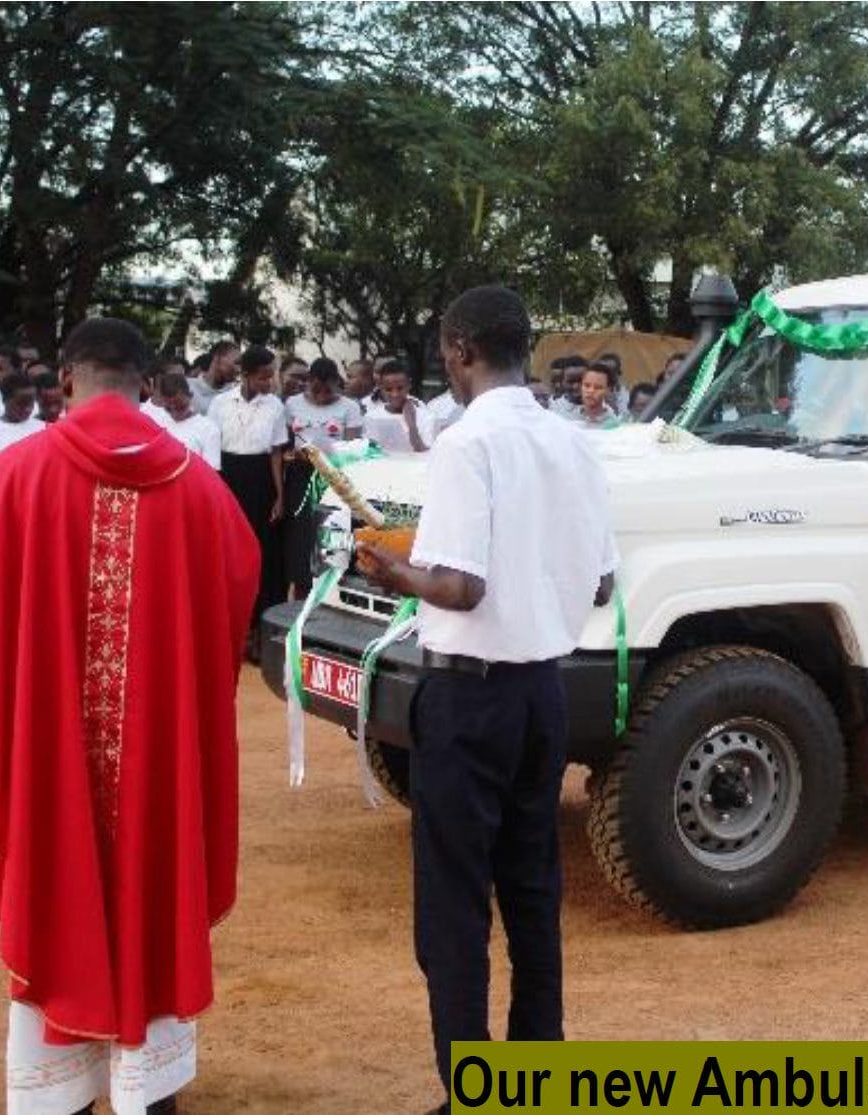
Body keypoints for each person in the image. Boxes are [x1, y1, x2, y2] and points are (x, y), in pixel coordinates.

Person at [0, 316, 258, 1115]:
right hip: (156, 763)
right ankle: (149, 1091)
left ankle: (62, 1094)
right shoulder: (199, 485)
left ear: (66, 381)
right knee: (153, 889)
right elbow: (237, 589)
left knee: (56, 888)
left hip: (44, 760)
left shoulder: (14, 476)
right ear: (146, 386)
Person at [356, 286, 617, 1114]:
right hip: (545, 690)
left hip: (470, 700)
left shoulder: (469, 443)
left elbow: (460, 587)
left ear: (462, 350)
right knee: (534, 888)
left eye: (444, 350)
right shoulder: (572, 441)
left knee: (455, 906)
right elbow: (603, 575)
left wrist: (392, 568)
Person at [208, 345, 287, 656]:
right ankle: (230, 633)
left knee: (262, 555)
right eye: (262, 377)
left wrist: (279, 496)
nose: (268, 382)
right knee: (228, 554)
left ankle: (258, 634)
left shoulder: (275, 406)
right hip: (228, 475)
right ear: (246, 374)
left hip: (261, 481)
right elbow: (213, 447)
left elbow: (277, 453)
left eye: (271, 376)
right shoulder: (219, 403)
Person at [281, 358, 362, 596]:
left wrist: (328, 459)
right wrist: (294, 455)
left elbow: (353, 448)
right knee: (300, 538)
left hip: (334, 477)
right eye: (315, 389)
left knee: (331, 534)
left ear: (338, 384)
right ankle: (301, 591)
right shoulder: (292, 403)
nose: (321, 396)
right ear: (307, 383)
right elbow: (283, 445)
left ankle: (332, 591)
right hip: (300, 475)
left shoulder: (350, 407)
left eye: (328, 390)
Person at [153, 372, 222, 467]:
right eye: (168, 406)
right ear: (162, 401)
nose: (174, 410)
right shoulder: (156, 423)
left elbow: (211, 471)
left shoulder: (208, 429)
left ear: (190, 396)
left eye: (180, 405)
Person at [363, 362, 427, 454]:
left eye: (400, 388)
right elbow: (371, 451)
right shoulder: (372, 416)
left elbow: (426, 454)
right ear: (380, 387)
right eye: (388, 389)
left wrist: (411, 424)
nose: (395, 394)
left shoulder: (425, 416)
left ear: (409, 385)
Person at [191, 341, 239, 416]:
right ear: (217, 357)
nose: (238, 369)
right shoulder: (188, 387)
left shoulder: (235, 395)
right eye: (236, 362)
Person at [570, 363, 621, 430]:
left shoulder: (615, 425)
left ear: (608, 390)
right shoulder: (568, 418)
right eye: (587, 385)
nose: (591, 391)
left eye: (598, 387)